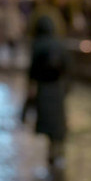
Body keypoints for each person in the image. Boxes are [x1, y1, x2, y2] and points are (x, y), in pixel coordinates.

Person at [23, 15, 71, 168]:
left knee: (49, 121)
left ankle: (52, 151)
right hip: (56, 88)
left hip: (44, 88)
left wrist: (31, 87)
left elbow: (32, 70)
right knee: (57, 122)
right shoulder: (59, 44)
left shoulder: (37, 45)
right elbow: (68, 68)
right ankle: (56, 149)